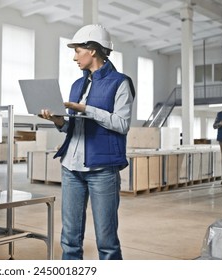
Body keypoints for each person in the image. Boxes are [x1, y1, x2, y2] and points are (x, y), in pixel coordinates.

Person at [39, 24, 135, 260]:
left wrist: (86, 109)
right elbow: (71, 127)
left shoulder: (120, 83)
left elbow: (122, 124)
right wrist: (58, 120)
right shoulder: (76, 85)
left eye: (77, 50)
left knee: (107, 242)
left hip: (102, 170)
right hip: (71, 167)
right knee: (69, 239)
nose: (74, 57)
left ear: (92, 50)